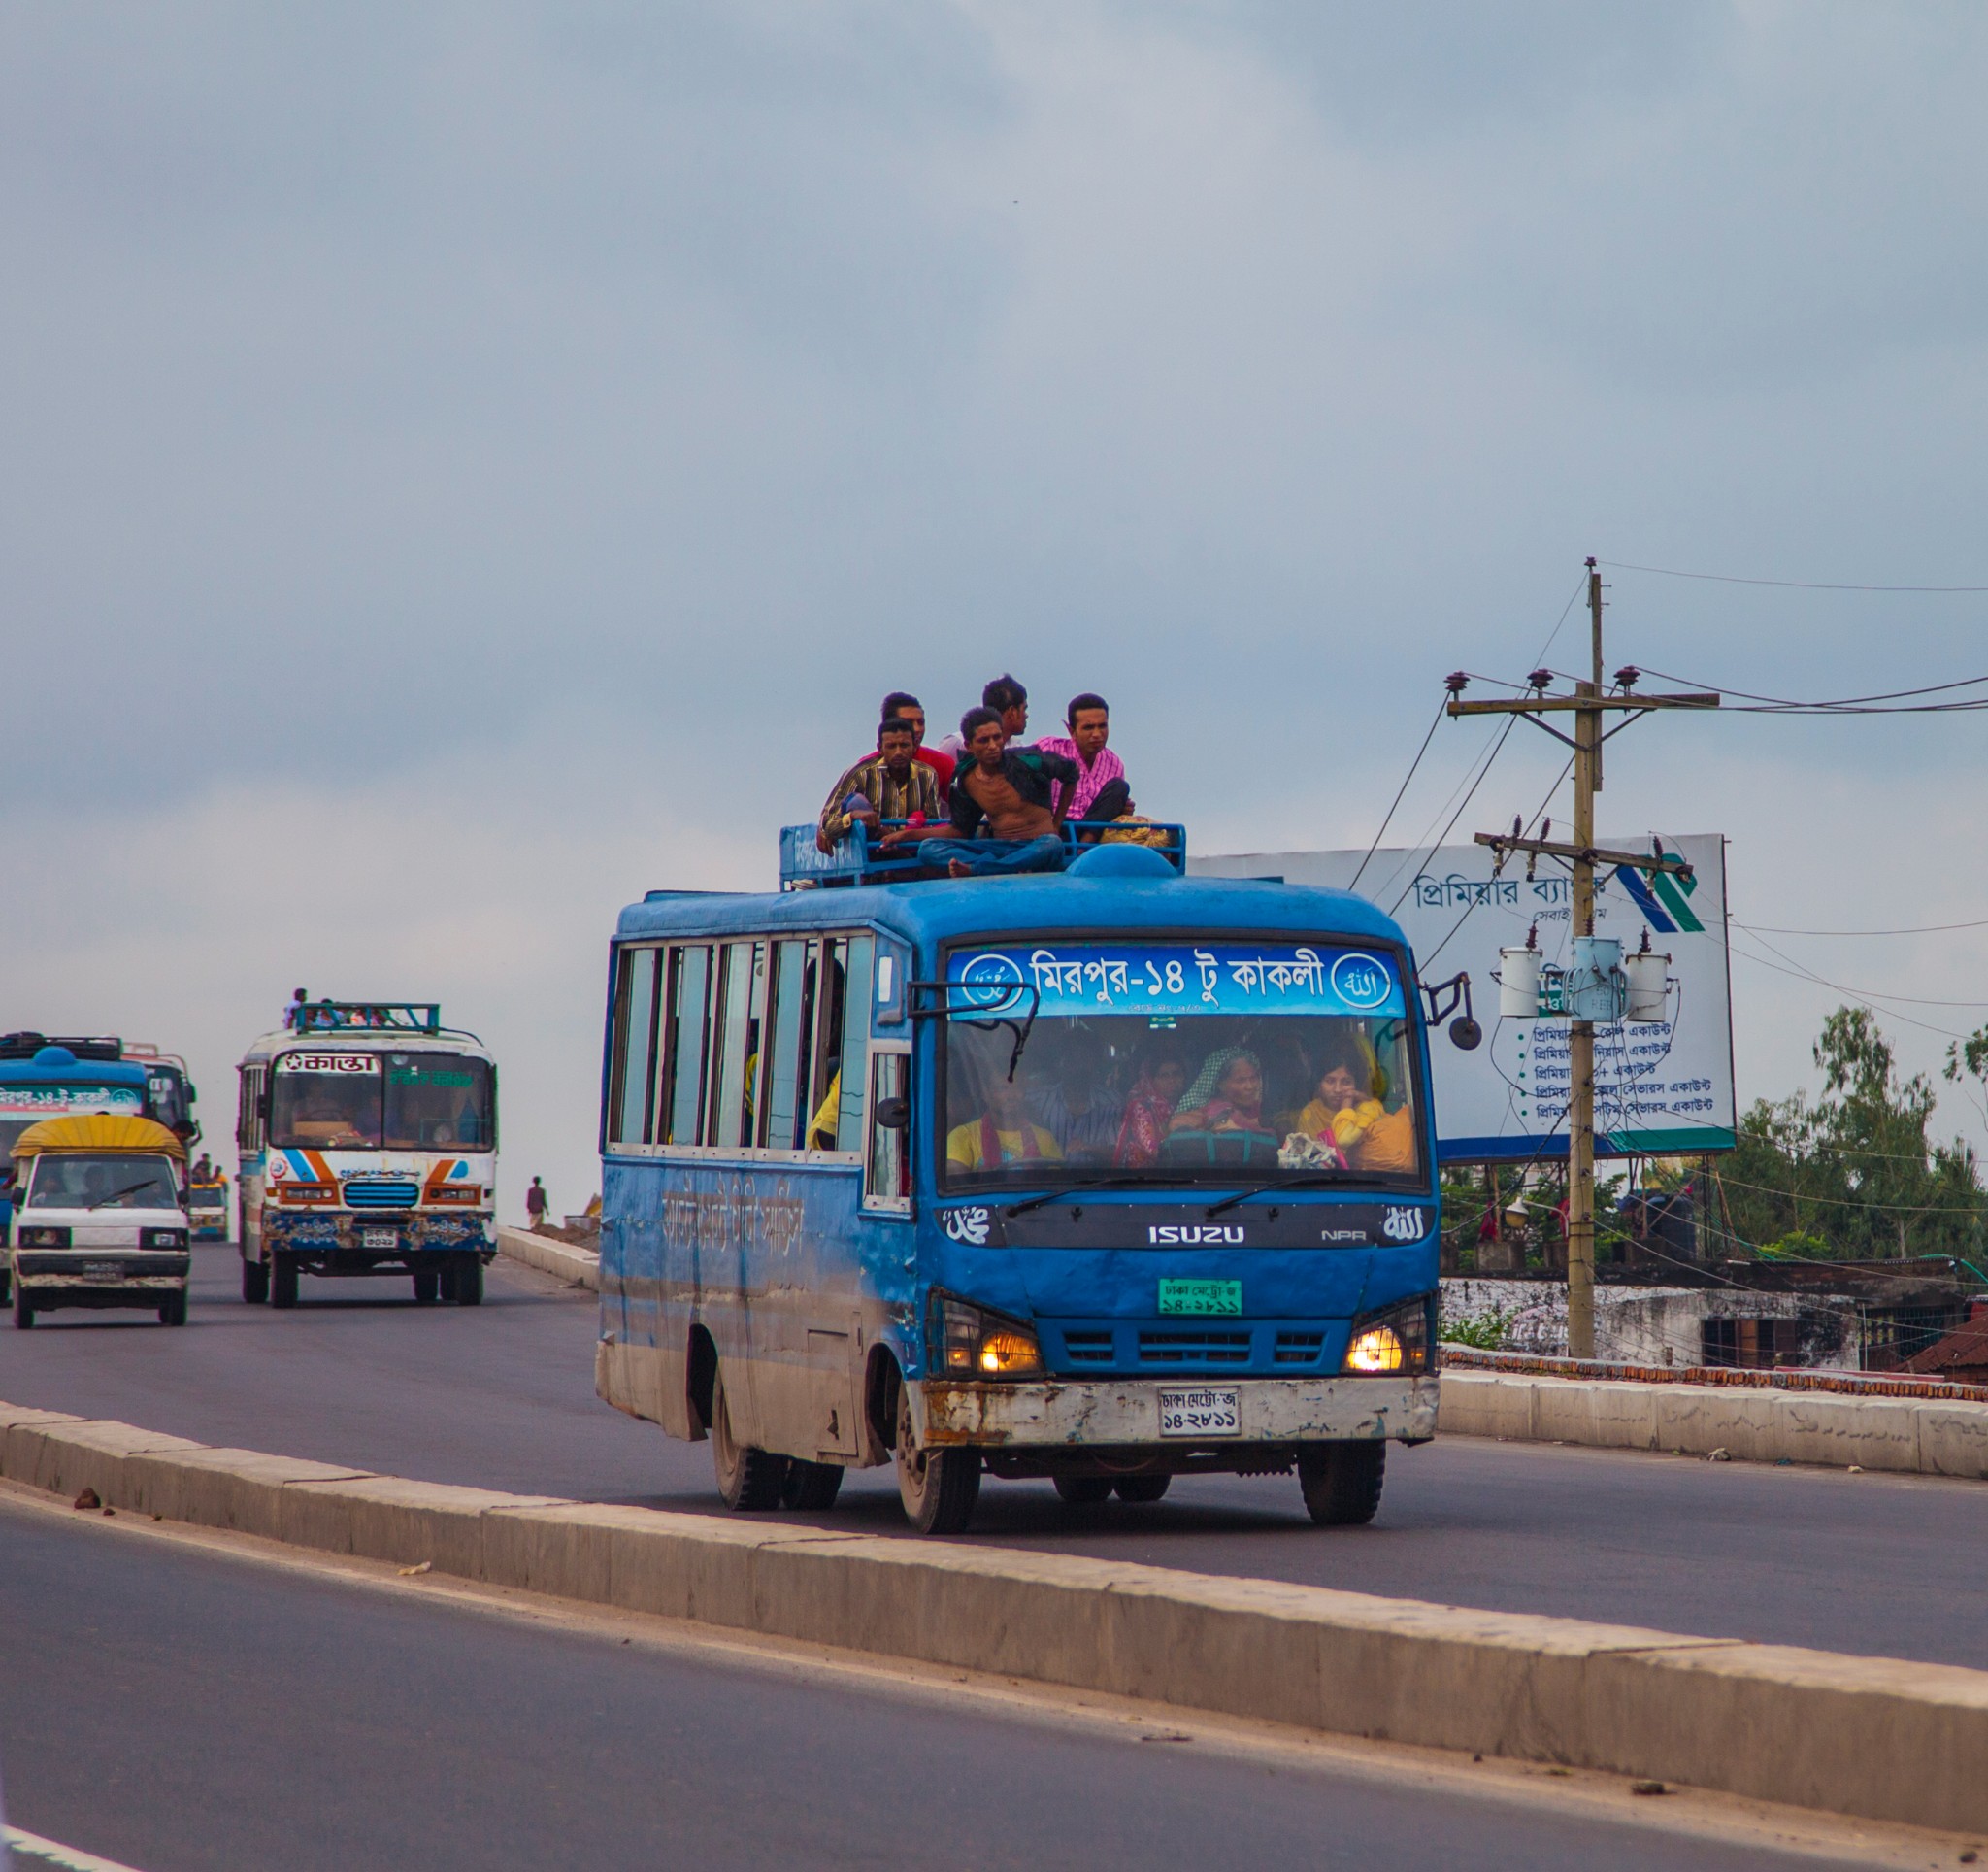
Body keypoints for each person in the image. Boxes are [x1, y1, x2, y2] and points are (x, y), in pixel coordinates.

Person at [882, 708, 1076, 878]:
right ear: (969, 746)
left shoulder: (1028, 760)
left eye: (997, 738)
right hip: (999, 849)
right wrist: (907, 836)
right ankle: (1001, 867)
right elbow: (960, 830)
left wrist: (1056, 823)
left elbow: (1071, 774)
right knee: (928, 849)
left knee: (1053, 844)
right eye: (984, 740)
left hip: (1037, 845)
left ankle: (980, 870)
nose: (993, 746)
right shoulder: (965, 778)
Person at [815, 715, 944, 854]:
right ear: (880, 748)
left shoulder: (927, 775)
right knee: (856, 802)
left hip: (910, 850)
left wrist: (905, 834)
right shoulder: (861, 774)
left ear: (915, 746)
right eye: (891, 746)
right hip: (871, 852)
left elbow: (932, 823)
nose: (898, 752)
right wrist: (853, 816)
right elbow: (827, 827)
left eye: (904, 745)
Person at [1295, 1040, 1417, 1173]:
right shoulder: (1310, 1114)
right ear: (1319, 1084)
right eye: (1330, 1081)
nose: (1337, 1089)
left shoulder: (1369, 1108)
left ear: (1356, 1085)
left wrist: (1346, 1107)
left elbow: (1347, 1141)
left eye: (1346, 1082)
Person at [1035, 692, 1133, 825]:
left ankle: (1085, 844)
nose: (1097, 734)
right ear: (1072, 731)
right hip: (1055, 826)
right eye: (1088, 728)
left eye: (1102, 726)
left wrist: (1122, 809)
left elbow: (1108, 809)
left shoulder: (1114, 763)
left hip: (1095, 833)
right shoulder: (1049, 747)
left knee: (1120, 787)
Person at [946, 1067, 1063, 1171]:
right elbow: (957, 1187)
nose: (1011, 1095)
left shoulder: (1045, 1138)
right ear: (986, 1094)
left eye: (1018, 1088)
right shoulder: (963, 1136)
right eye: (1002, 1089)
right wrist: (979, 1180)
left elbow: (1057, 1183)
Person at [1032, 1049, 1122, 1162]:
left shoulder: (1112, 1102)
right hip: (1044, 1178)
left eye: (1084, 1060)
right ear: (1059, 1064)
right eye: (1072, 1059)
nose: (1078, 1067)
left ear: (1095, 1064)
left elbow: (1121, 1153)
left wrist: (1090, 1148)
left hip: (1102, 1178)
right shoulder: (1037, 1100)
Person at [1114, 1045, 1190, 1167]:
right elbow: (1153, 1149)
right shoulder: (1141, 1107)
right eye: (1164, 1075)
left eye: (1176, 1074)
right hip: (1145, 1179)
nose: (1172, 1080)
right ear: (1151, 1080)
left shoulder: (1189, 1105)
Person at [1171, 1047, 1271, 1136]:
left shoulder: (1253, 1108)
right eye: (1241, 1080)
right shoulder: (1220, 1112)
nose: (1250, 1086)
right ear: (1220, 1084)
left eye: (1253, 1078)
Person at [872, 691, 955, 800]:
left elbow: (963, 808)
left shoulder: (942, 763)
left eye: (921, 722)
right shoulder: (864, 769)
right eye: (908, 722)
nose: (917, 729)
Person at [936, 674, 1032, 763]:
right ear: (1012, 712)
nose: (1026, 715)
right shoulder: (957, 743)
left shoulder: (1017, 748)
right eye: (1024, 709)